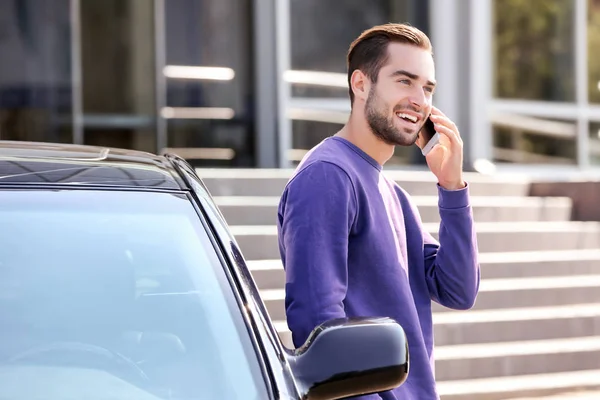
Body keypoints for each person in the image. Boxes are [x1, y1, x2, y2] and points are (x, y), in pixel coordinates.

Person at [276, 23, 481, 399]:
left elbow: (458, 289)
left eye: (428, 87)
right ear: (360, 84)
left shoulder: (394, 194)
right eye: (404, 81)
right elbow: (316, 324)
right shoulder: (328, 177)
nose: (419, 100)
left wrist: (452, 188)